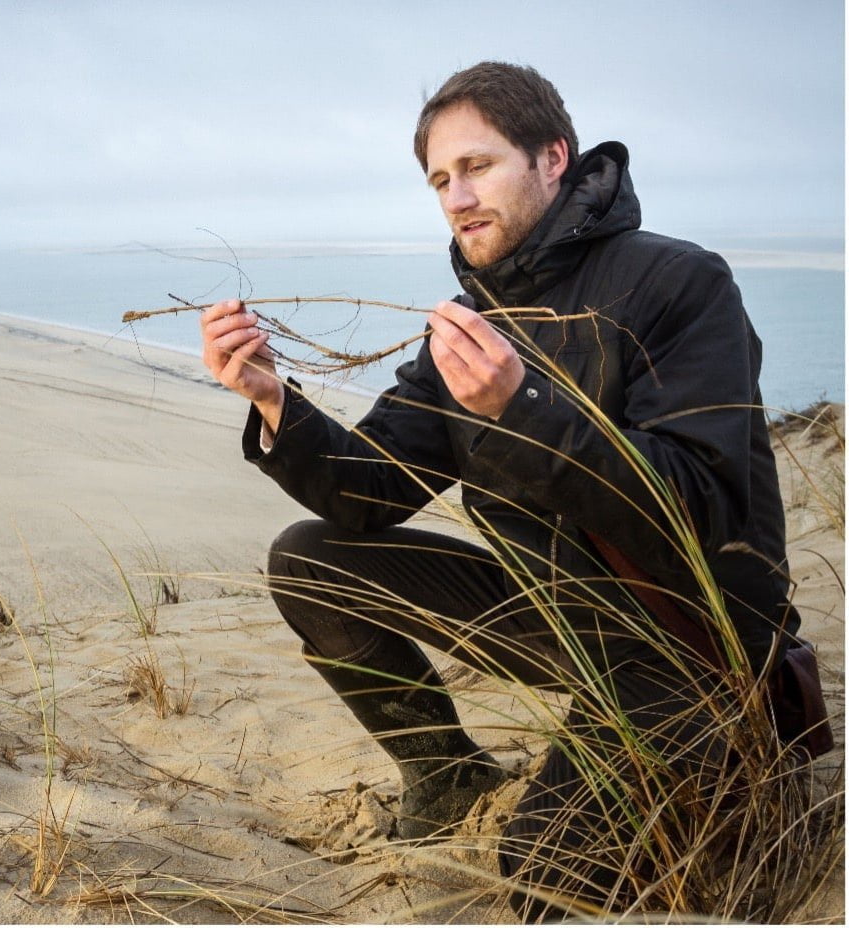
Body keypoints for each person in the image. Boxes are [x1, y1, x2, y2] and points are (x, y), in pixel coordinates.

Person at [199, 61, 798, 921]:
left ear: (555, 158)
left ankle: (731, 764)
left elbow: (698, 505)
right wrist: (272, 401)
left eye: (476, 167)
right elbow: (370, 492)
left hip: (688, 645)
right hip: (557, 618)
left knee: (543, 870)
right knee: (311, 560)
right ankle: (446, 777)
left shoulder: (680, 283)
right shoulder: (470, 317)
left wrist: (522, 408)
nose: (454, 196)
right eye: (439, 179)